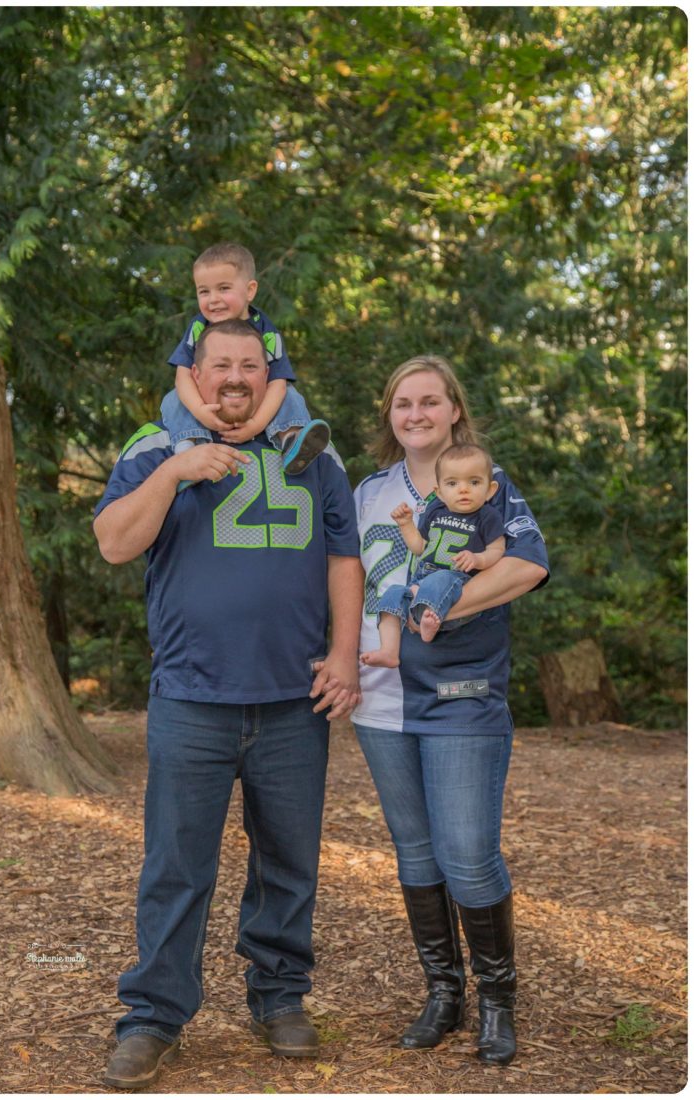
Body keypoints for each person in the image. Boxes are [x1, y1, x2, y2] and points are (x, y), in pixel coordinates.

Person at [94, 318, 362, 1090]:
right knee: (177, 864)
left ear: (268, 371)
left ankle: (279, 997)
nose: (236, 376)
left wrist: (344, 653)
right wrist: (175, 473)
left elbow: (344, 552)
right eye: (221, 365)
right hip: (192, 696)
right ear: (196, 373)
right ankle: (153, 1015)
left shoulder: (309, 446)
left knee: (289, 861)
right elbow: (114, 541)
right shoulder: (156, 442)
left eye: (250, 363)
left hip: (291, 699)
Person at [352, 355, 549, 1067]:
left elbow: (526, 566)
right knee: (416, 855)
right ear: (390, 416)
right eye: (402, 404)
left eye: (429, 402)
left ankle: (498, 1000)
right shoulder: (369, 492)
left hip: (461, 697)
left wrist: (429, 605)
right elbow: (345, 580)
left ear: (454, 410)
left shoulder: (486, 487)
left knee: (467, 855)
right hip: (380, 702)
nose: (416, 415)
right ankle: (444, 993)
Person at [160, 241, 330, 474]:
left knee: (291, 396)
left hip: (255, 399)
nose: (213, 299)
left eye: (223, 289)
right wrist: (200, 411)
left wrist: (255, 425)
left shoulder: (266, 331)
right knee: (173, 398)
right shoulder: (198, 327)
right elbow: (182, 375)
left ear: (250, 290)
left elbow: (277, 382)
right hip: (209, 400)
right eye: (204, 291)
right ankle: (186, 449)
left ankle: (291, 440)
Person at [361, 442, 505, 666]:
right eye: (452, 483)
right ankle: (388, 650)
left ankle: (427, 620)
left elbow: (497, 550)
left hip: (456, 580)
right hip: (422, 577)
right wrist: (406, 524)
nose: (463, 489)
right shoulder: (436, 511)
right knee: (393, 594)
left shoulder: (487, 516)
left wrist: (478, 559)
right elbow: (420, 547)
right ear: (439, 492)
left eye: (474, 482)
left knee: (440, 579)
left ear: (490, 490)